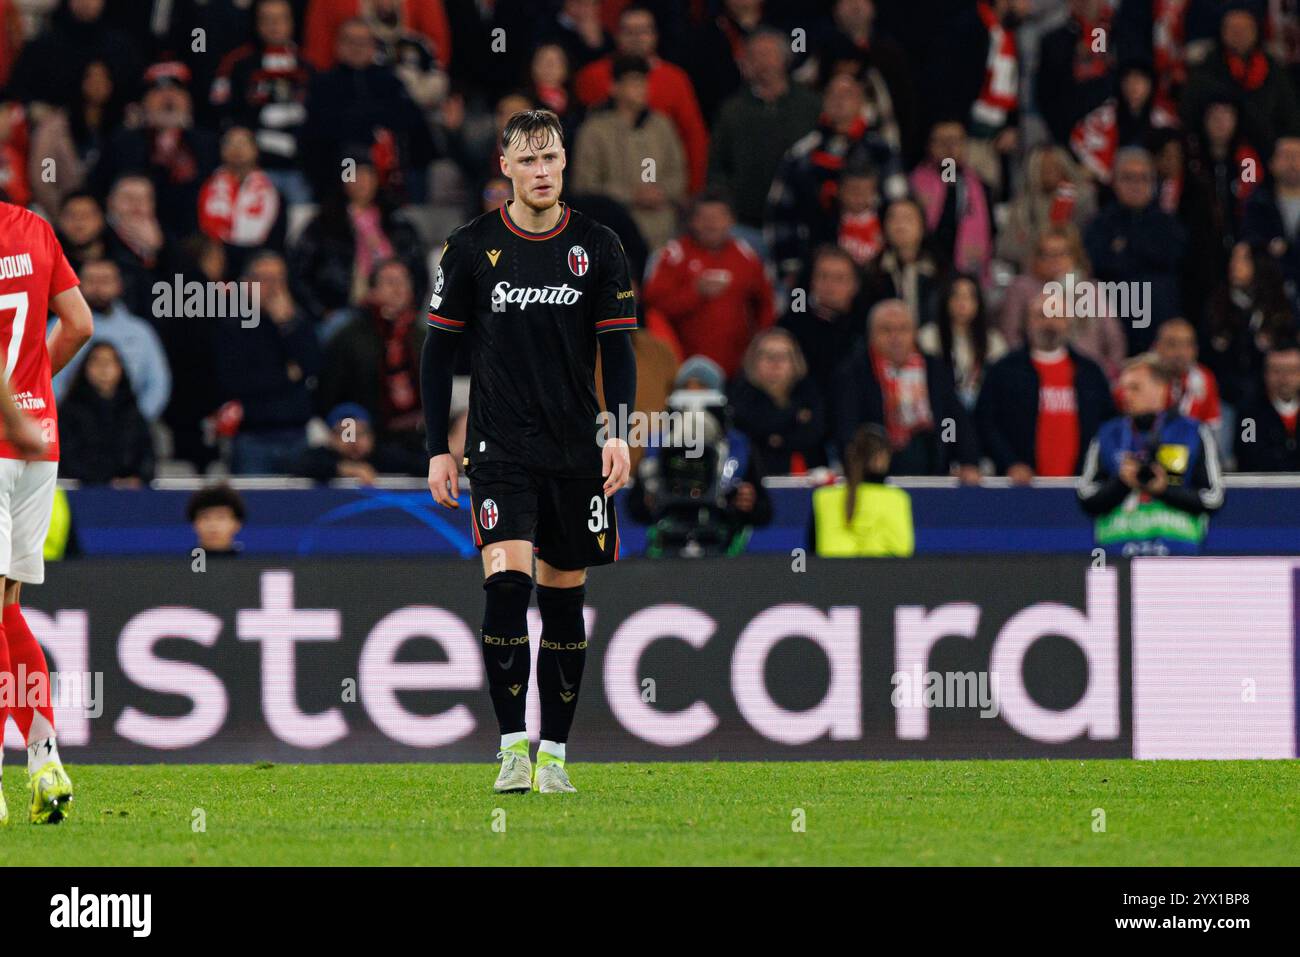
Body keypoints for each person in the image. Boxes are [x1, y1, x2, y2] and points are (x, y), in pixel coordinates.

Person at [421, 109, 637, 795]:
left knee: (565, 604)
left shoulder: (598, 245)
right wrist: (438, 450)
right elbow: (437, 353)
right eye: (528, 160)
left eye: (552, 159)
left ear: (564, 164)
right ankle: (512, 745)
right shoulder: (470, 247)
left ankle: (555, 756)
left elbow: (618, 348)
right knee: (506, 586)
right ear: (505, 167)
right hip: (498, 447)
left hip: (574, 450)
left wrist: (621, 433)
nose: (542, 171)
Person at [0, 199, 96, 825]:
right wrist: (32, 396)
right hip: (39, 442)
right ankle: (44, 757)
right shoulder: (33, 227)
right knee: (7, 609)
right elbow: (81, 324)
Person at [1078, 353, 1225, 555]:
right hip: (1119, 554)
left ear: (1161, 389)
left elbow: (1214, 498)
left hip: (1178, 556)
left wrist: (1164, 489)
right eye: (1123, 388)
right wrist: (1122, 483)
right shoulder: (1107, 434)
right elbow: (1086, 498)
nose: (1125, 395)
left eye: (1135, 388)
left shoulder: (1193, 432)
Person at [833, 299, 980, 481]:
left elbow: (956, 419)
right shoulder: (854, 372)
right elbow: (846, 427)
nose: (896, 337)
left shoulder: (934, 369)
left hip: (931, 469)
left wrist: (969, 462)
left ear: (914, 333)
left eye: (903, 329)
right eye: (886, 330)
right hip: (877, 475)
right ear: (871, 335)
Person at [976, 294, 1116, 482]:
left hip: (1080, 485)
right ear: (1027, 322)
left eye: (1057, 316)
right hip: (1021, 486)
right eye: (1041, 316)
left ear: (1068, 322)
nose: (1049, 323)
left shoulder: (1090, 372)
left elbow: (1108, 423)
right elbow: (986, 422)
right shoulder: (1003, 370)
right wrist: (1010, 463)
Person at [641, 188, 773, 379]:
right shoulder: (674, 256)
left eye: (718, 217)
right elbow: (652, 307)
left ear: (731, 221)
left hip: (739, 369)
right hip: (682, 370)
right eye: (704, 217)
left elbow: (766, 304)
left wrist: (758, 349)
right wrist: (694, 292)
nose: (711, 224)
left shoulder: (746, 256)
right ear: (692, 222)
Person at [51, 258, 171, 422]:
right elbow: (45, 379)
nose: (98, 287)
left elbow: (158, 383)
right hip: (71, 426)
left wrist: (136, 422)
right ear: (77, 286)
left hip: (130, 426)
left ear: (119, 286)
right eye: (91, 280)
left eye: (105, 280)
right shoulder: (57, 328)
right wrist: (66, 419)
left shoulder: (140, 332)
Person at [55, 342, 155, 486]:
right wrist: (103, 480)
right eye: (96, 361)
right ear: (85, 367)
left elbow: (147, 457)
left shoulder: (132, 411)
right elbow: (65, 458)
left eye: (110, 361)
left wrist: (138, 478)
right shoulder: (69, 412)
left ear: (120, 368)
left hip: (129, 495)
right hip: (83, 492)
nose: (104, 368)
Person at [729, 328, 826, 475]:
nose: (775, 363)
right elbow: (751, 425)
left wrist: (776, 438)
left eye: (783, 356)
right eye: (767, 355)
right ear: (752, 361)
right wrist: (795, 416)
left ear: (795, 362)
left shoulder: (809, 392)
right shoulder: (740, 394)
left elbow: (814, 433)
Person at [811, 423, 913, 557]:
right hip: (882, 576)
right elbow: (903, 551)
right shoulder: (897, 499)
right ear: (880, 458)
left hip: (833, 576)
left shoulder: (823, 498)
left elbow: (812, 552)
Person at [1235, 341, 1300, 472]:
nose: (1284, 378)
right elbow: (1247, 457)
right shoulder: (1249, 416)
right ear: (1265, 374)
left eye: (1292, 371)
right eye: (1276, 371)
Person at [186, 483, 246, 557]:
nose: (213, 524)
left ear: (237, 524)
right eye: (205, 517)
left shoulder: (251, 565)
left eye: (221, 517)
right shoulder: (179, 566)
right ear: (195, 524)